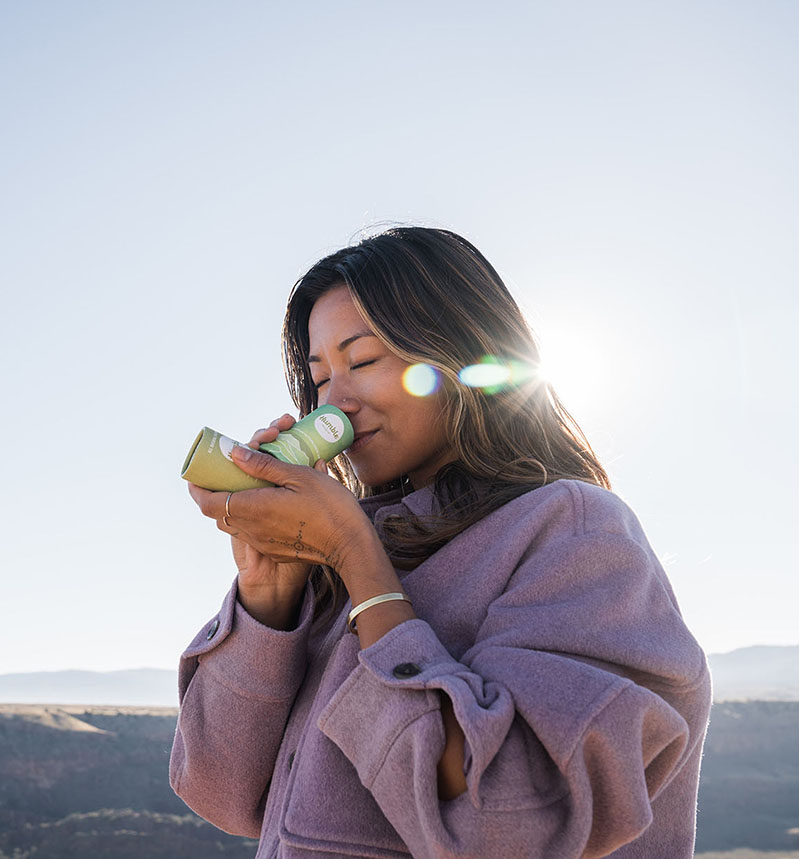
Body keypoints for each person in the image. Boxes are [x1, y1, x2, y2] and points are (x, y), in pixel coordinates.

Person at [170, 226, 712, 858]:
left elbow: (510, 823)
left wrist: (358, 562)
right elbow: (222, 794)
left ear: (460, 359)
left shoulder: (574, 531)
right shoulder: (349, 548)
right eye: (318, 379)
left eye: (364, 361)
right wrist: (270, 588)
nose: (333, 405)